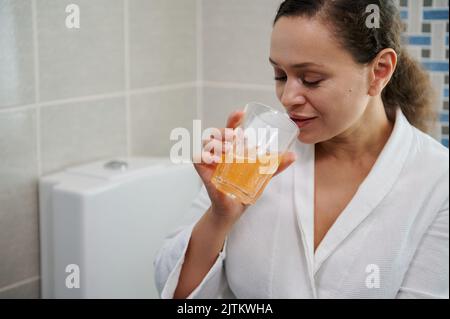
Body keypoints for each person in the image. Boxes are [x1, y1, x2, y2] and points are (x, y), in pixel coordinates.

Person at [154, 0, 449, 299]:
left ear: (379, 71)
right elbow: (173, 288)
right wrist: (219, 217)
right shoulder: (255, 151)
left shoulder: (438, 179)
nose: (288, 97)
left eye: (311, 79)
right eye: (280, 76)